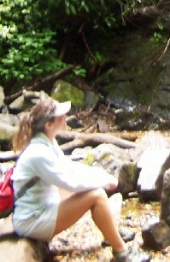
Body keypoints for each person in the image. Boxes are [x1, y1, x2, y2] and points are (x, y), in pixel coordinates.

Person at [12, 98, 151, 262]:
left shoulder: (48, 142)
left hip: (40, 208)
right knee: (97, 195)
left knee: (91, 189)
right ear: (48, 125)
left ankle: (110, 231)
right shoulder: (39, 153)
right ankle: (122, 253)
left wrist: (101, 174)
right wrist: (103, 182)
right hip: (32, 221)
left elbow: (70, 167)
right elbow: (70, 182)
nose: (66, 117)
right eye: (61, 116)